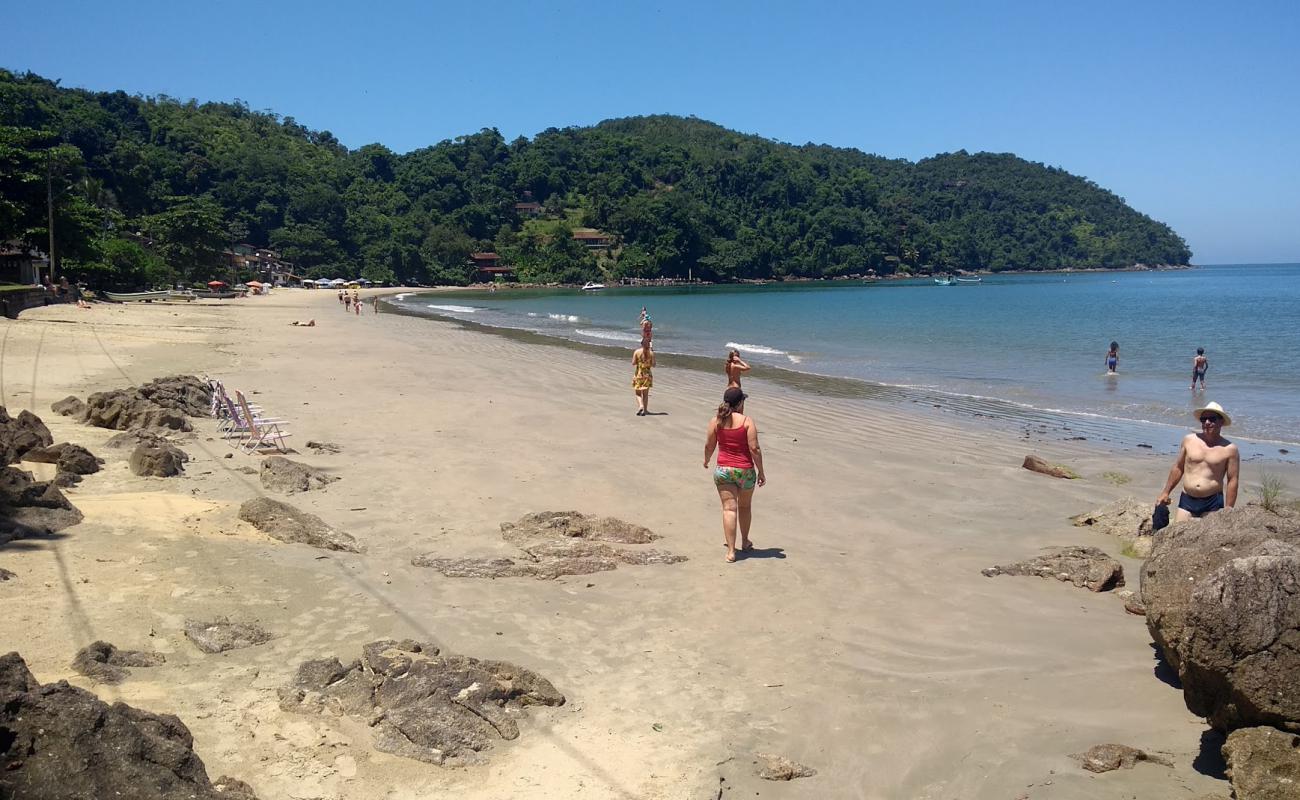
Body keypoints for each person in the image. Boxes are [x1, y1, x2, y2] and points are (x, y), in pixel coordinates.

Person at [704, 387, 766, 563]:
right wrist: (761, 471)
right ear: (740, 403)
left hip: (723, 470)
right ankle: (745, 541)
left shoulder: (716, 421)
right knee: (745, 507)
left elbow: (709, 446)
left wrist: (706, 460)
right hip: (744, 470)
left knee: (728, 509)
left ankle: (731, 551)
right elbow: (754, 449)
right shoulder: (747, 421)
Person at [1156, 401, 1239, 522]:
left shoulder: (1230, 449)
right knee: (1178, 535)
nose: (1207, 422)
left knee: (1210, 539)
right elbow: (1178, 467)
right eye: (1203, 419)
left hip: (1212, 502)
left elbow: (1233, 480)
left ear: (1221, 422)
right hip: (1187, 499)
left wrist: (1228, 509)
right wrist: (1165, 492)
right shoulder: (1189, 440)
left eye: (1212, 419)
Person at [631, 337, 654, 415]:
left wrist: (639, 362)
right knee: (645, 394)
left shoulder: (637, 352)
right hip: (647, 375)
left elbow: (633, 363)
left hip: (639, 374)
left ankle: (641, 406)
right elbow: (654, 364)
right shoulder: (651, 353)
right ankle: (645, 410)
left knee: (638, 393)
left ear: (641, 344)